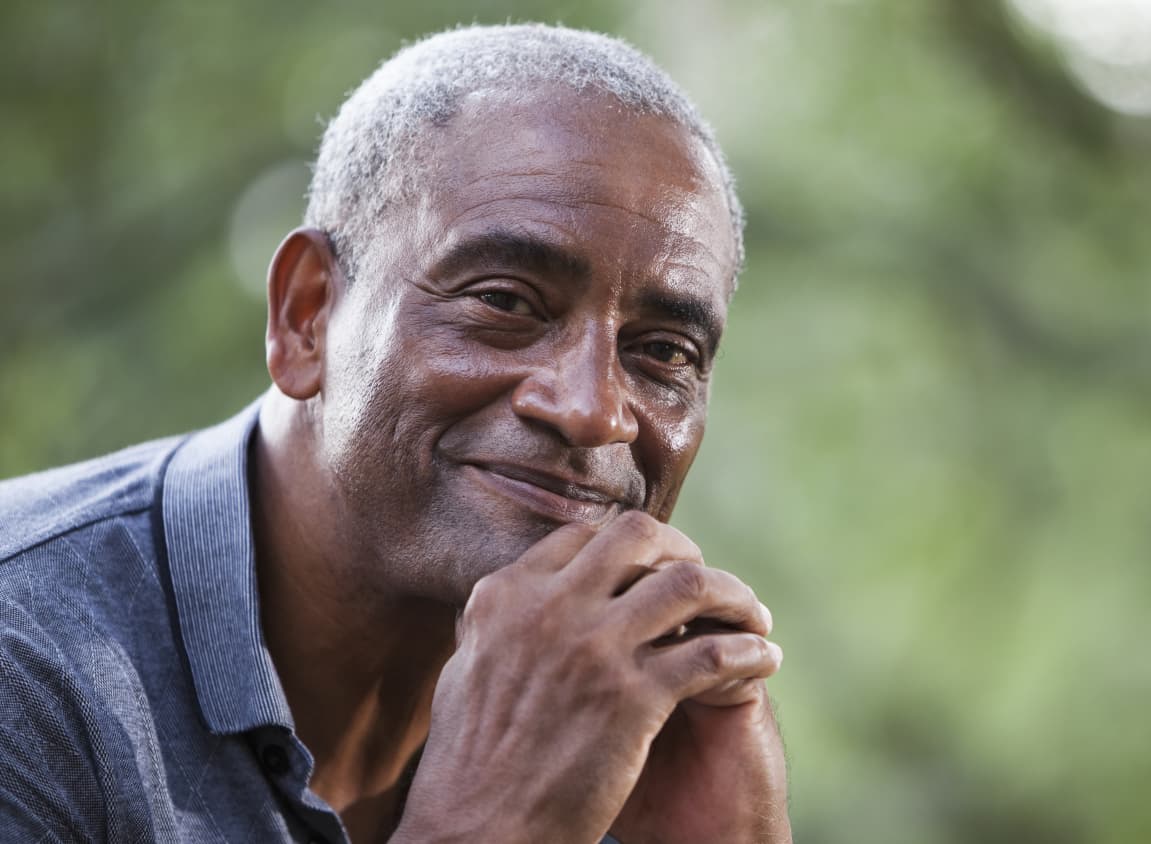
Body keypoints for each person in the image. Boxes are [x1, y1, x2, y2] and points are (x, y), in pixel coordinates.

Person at [0, 23, 790, 844]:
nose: (593, 411)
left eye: (663, 351)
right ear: (307, 316)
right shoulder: (26, 660)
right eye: (506, 302)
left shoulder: (631, 737)